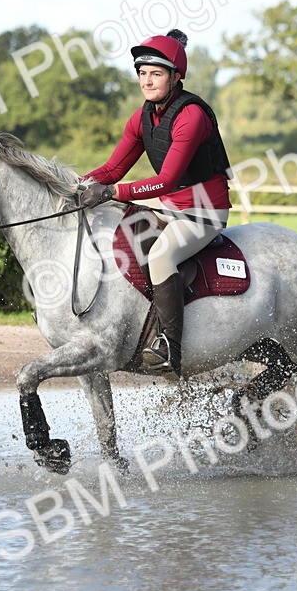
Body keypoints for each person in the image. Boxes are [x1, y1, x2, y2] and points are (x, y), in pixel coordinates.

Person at [79, 29, 231, 376]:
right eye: (142, 73)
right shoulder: (142, 117)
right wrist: (78, 184)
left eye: (156, 74)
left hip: (203, 212)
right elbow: (114, 168)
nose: (147, 81)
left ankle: (169, 350)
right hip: (169, 209)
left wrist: (114, 192)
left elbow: (168, 180)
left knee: (161, 255)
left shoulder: (192, 116)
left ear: (176, 77)